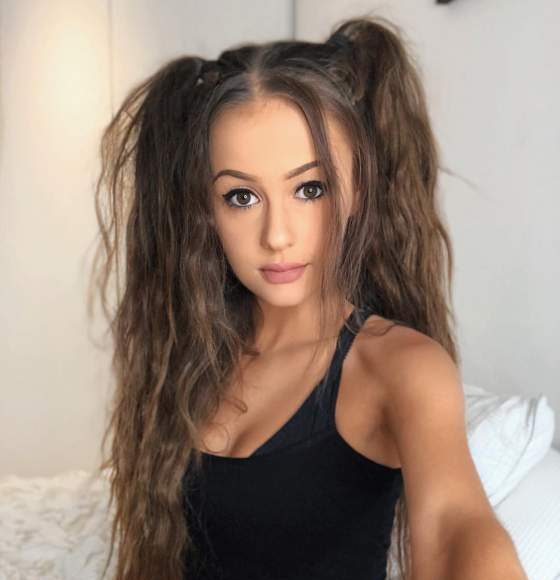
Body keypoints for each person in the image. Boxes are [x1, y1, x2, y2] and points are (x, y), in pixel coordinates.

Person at [89, 14, 527, 580]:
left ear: (358, 188)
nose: (277, 235)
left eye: (310, 189)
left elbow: (454, 529)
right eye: (241, 197)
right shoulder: (190, 351)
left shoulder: (401, 367)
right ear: (205, 210)